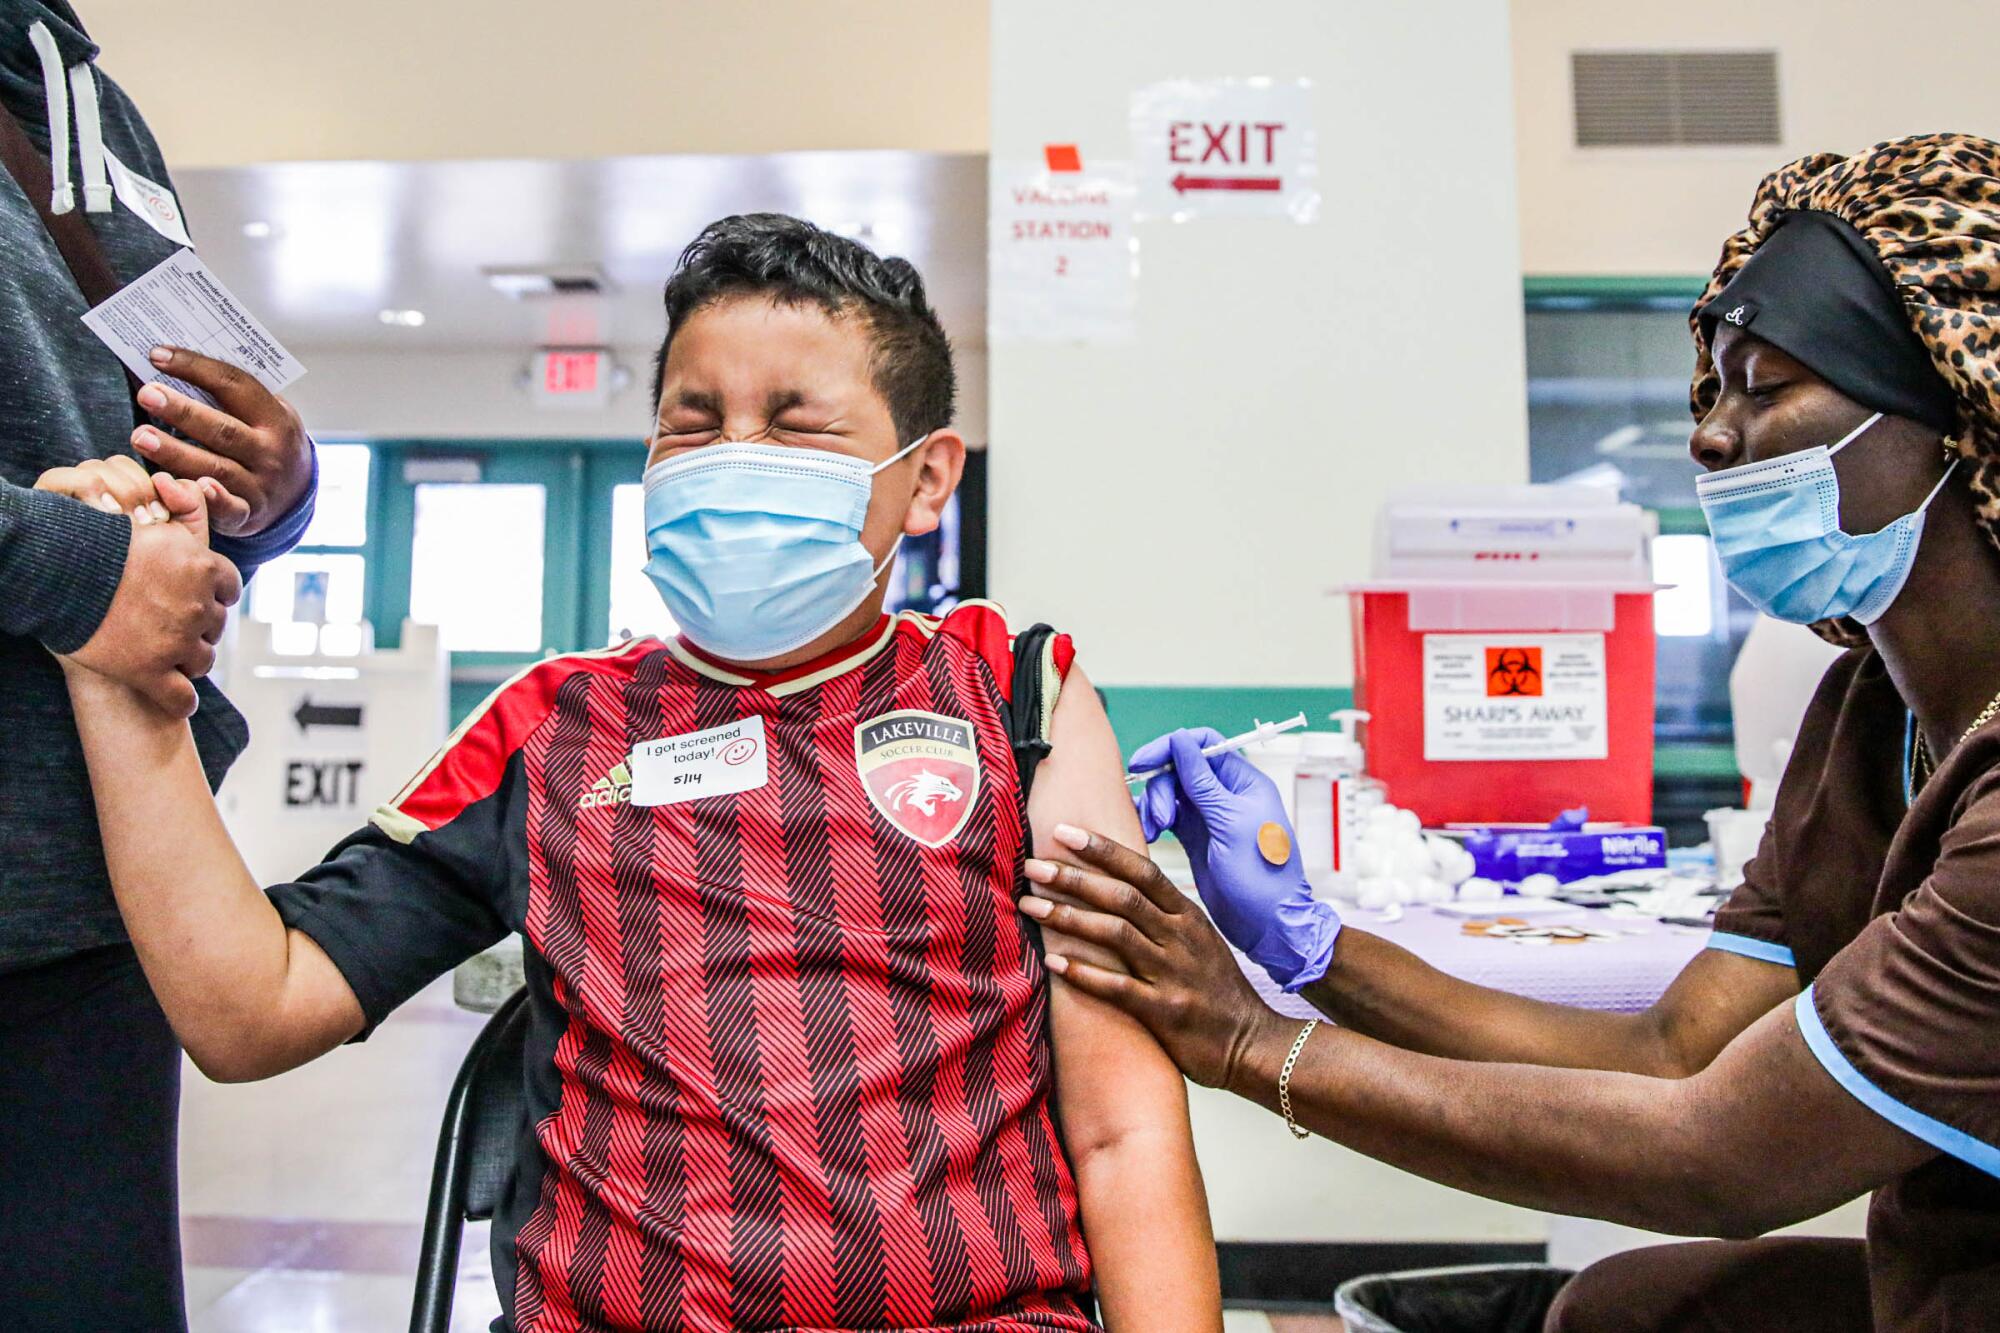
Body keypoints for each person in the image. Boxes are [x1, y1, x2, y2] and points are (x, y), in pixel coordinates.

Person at [52, 213, 1222, 1333]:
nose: (732, 457)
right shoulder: (553, 727)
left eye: (795, 424)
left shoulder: (1014, 697)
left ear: (924, 481)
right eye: (693, 419)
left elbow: (1122, 1128)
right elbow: (253, 1007)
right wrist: (119, 677)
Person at [1015, 133, 2000, 1333]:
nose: (1708, 433)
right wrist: (1310, 945)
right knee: (1619, 1310)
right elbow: (1668, 1053)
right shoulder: (1867, 714)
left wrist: (1243, 1040)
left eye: (1767, 385)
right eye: (1716, 382)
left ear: (1954, 412)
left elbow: (1720, 1153)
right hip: (1939, 1274)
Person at [0, 2, 318, 1327]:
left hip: (85, 887)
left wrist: (278, 483)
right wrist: (73, 570)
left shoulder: (71, 92)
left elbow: (163, 407)